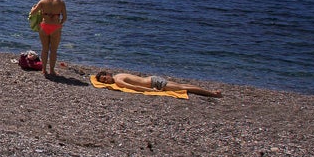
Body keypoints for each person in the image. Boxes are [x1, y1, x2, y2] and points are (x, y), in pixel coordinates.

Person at [94, 70, 223, 98]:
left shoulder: (118, 80)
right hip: (153, 79)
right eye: (104, 81)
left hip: (154, 83)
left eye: (105, 79)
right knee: (183, 86)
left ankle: (213, 94)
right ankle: (212, 92)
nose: (106, 81)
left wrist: (150, 91)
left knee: (185, 88)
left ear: (109, 75)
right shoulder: (119, 75)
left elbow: (133, 87)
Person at [29, 0, 67, 78]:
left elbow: (33, 13)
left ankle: (43, 70)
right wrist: (60, 24)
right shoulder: (61, 3)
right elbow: (65, 17)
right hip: (56, 27)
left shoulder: (43, 1)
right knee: (53, 50)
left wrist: (34, 8)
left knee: (45, 49)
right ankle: (52, 70)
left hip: (44, 25)